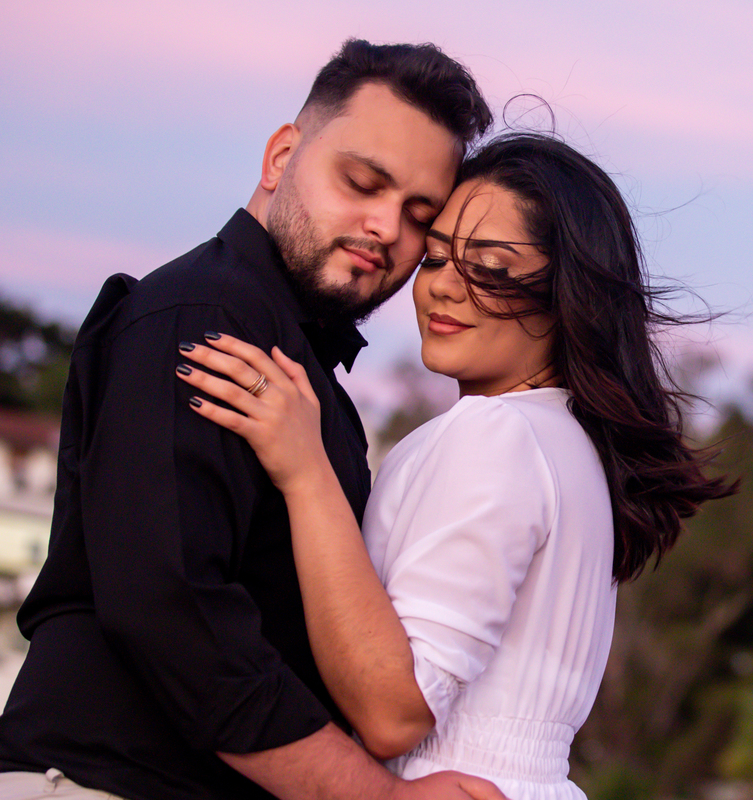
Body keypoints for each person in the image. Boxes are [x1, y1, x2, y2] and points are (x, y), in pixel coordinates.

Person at [0, 40, 507, 800]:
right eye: (362, 182)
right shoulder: (206, 316)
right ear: (280, 157)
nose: (384, 227)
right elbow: (171, 607)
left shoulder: (304, 372)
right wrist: (378, 798)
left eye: (417, 216)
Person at [173, 133, 738, 799]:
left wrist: (306, 471)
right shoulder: (567, 442)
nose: (444, 287)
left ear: (569, 291)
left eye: (490, 268)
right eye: (436, 257)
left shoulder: (497, 437)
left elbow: (394, 711)